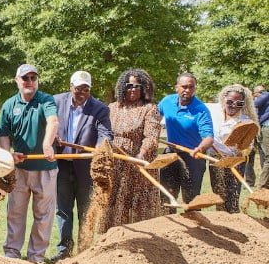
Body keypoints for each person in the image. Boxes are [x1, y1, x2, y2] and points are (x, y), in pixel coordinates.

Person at [0, 64, 59, 263]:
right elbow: (3, 134)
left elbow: (53, 121)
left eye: (33, 78)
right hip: (20, 170)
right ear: (17, 80)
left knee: (43, 215)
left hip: (45, 169)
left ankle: (36, 257)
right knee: (15, 213)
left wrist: (47, 144)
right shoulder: (9, 105)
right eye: (25, 78)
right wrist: (9, 155)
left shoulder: (46, 100)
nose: (30, 82)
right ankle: (12, 255)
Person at [52, 70, 112, 261]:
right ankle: (64, 250)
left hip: (85, 167)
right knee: (63, 209)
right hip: (62, 165)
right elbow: (47, 125)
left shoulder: (100, 109)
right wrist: (51, 137)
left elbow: (105, 133)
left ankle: (84, 251)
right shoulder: (56, 102)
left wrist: (100, 148)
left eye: (86, 89)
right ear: (71, 87)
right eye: (78, 88)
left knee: (85, 209)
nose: (82, 93)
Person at [104, 69, 162, 231]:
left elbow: (151, 136)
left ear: (144, 88)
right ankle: (112, 236)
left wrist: (141, 154)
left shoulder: (150, 109)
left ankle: (140, 238)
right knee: (114, 201)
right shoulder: (112, 108)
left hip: (137, 164)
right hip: (116, 163)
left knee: (137, 204)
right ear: (122, 87)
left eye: (138, 86)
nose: (133, 89)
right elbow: (104, 132)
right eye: (129, 86)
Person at [158, 73, 214, 204]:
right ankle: (166, 221)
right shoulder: (166, 102)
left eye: (191, 87)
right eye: (184, 86)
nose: (187, 90)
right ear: (176, 87)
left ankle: (194, 221)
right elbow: (154, 118)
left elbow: (209, 137)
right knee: (166, 194)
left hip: (193, 156)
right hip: (171, 153)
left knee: (191, 198)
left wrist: (200, 148)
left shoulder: (201, 110)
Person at [209, 85, 259, 213]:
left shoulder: (245, 122)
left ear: (244, 104)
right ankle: (221, 220)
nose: (233, 105)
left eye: (239, 103)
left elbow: (247, 146)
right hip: (215, 160)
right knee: (219, 195)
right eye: (230, 101)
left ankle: (233, 223)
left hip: (235, 162)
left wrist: (237, 154)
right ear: (224, 99)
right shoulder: (213, 114)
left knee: (232, 196)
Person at [255, 85, 269, 190]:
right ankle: (263, 185)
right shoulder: (266, 96)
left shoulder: (265, 95)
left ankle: (262, 185)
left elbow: (253, 104)